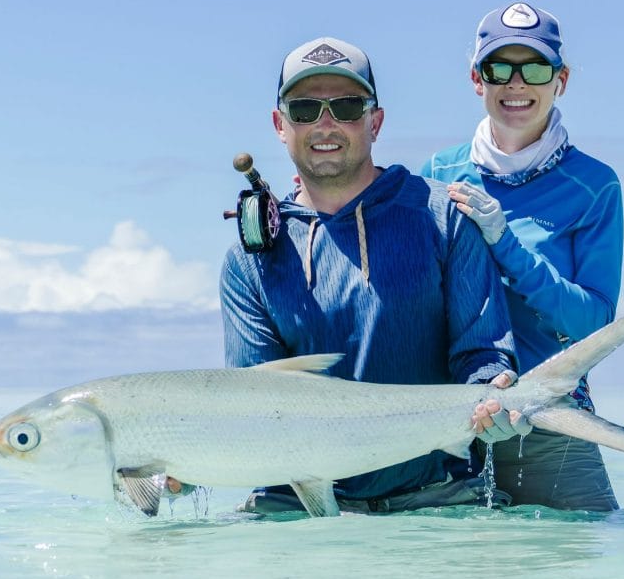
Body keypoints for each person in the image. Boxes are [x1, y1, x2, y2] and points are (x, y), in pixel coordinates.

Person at [220, 36, 525, 514]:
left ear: (375, 122)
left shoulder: (443, 217)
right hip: (294, 502)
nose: (326, 124)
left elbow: (482, 356)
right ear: (280, 126)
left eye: (345, 106)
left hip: (435, 494)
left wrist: (495, 399)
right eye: (304, 110)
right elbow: (252, 403)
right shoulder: (249, 258)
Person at [420, 2, 624, 512]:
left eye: (533, 68)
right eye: (498, 68)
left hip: (548, 418)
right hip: (454, 422)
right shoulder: (436, 171)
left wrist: (502, 240)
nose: (516, 84)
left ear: (562, 79)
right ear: (476, 79)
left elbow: (592, 322)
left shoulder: (595, 186)